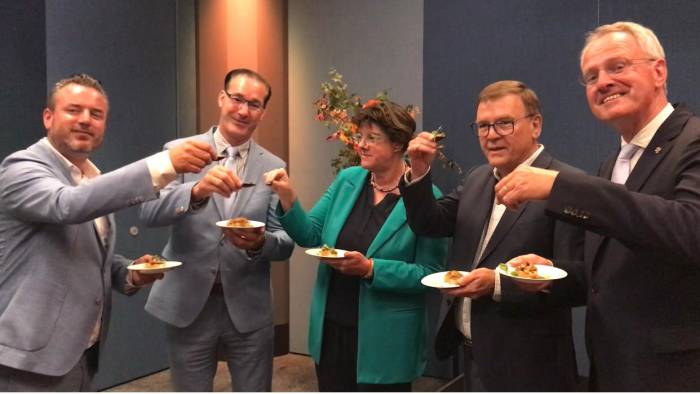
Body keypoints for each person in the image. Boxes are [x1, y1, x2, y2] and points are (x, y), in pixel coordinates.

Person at [495, 21, 700, 391]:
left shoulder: (693, 141)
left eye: (617, 66)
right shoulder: (612, 165)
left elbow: (689, 231)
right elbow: (606, 278)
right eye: (591, 77)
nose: (602, 82)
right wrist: (550, 276)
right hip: (611, 369)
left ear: (659, 70)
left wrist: (563, 186)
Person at [0, 73, 216, 391]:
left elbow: (84, 253)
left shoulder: (89, 176)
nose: (86, 120)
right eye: (74, 110)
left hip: (81, 354)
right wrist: (164, 165)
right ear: (48, 117)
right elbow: (67, 205)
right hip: (30, 360)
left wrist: (128, 273)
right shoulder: (21, 168)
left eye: (96, 114)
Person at [400, 80, 584, 391]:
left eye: (504, 124)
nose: (491, 135)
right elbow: (430, 223)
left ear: (535, 125)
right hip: (472, 354)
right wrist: (418, 173)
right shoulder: (478, 177)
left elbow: (579, 282)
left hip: (530, 366)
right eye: (483, 126)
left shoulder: (566, 185)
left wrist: (498, 283)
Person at [266, 100, 448, 391]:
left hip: (386, 340)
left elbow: (430, 273)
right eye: (360, 136)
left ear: (399, 144)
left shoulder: (427, 198)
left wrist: (371, 269)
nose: (361, 145)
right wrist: (287, 196)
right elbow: (310, 235)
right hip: (332, 329)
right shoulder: (348, 180)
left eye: (372, 138)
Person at [138, 68, 294, 392]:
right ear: (221, 98)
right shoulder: (180, 150)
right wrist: (195, 192)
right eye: (237, 99)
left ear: (262, 112)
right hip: (190, 302)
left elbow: (285, 242)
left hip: (250, 306)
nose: (243, 110)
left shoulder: (273, 166)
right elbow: (148, 212)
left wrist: (258, 243)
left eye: (254, 104)